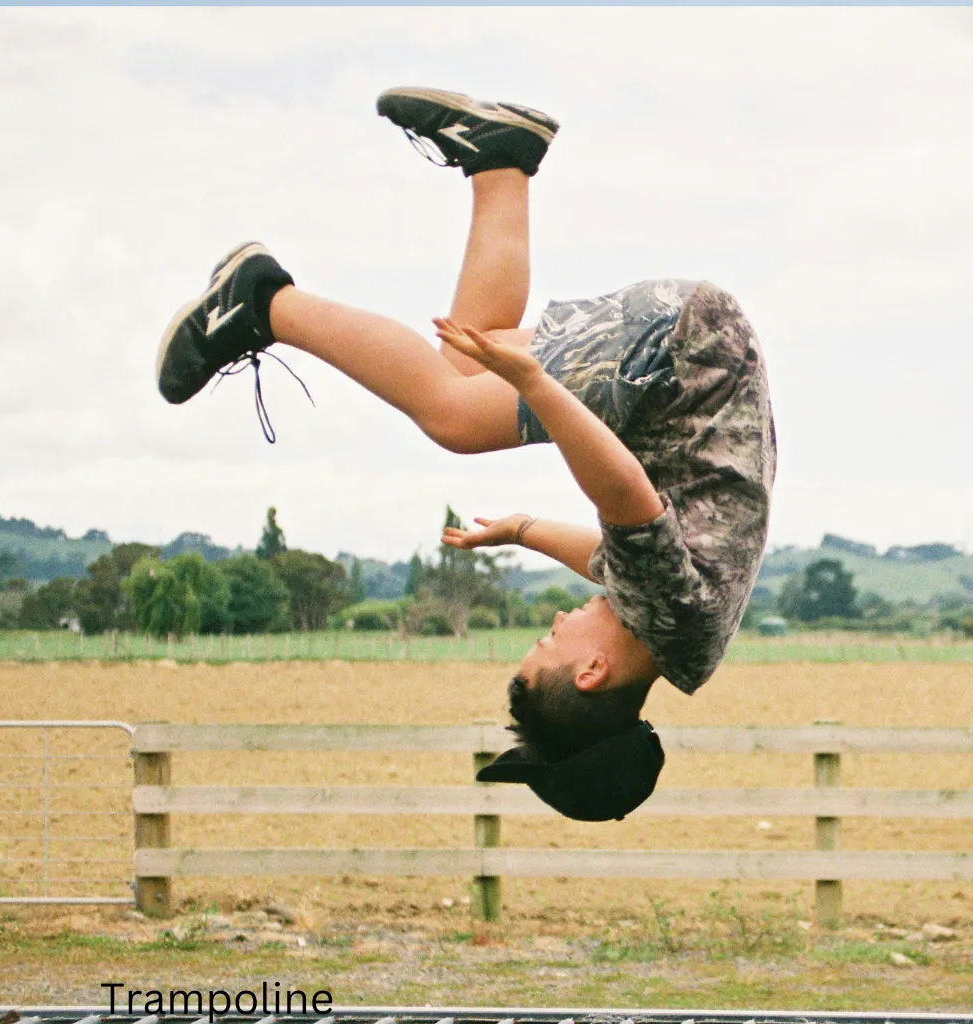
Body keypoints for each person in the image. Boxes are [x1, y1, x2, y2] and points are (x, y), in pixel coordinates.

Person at [153, 87, 777, 821]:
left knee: (461, 361)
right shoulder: (667, 612)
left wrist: (519, 530)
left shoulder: (676, 644)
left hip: (695, 356)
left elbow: (614, 557)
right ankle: (260, 302)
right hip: (681, 356)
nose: (554, 623)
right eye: (549, 641)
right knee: (452, 416)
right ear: (592, 670)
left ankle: (500, 162)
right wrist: (538, 385)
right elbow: (623, 495)